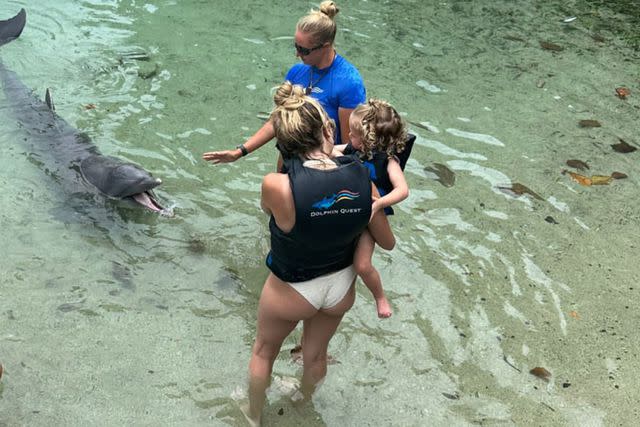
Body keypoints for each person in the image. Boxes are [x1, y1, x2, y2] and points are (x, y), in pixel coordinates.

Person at [242, 83, 394, 426]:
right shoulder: (362, 176)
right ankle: (301, 401)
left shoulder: (276, 185)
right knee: (315, 356)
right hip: (340, 287)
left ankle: (252, 416)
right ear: (328, 129)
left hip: (291, 289)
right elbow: (387, 242)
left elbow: (274, 212)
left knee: (263, 353)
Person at [202, 1, 365, 167]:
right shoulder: (297, 72)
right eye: (296, 46)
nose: (297, 54)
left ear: (325, 46)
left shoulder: (349, 82)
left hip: (325, 168)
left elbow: (350, 146)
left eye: (304, 50)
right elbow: (278, 120)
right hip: (290, 162)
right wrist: (239, 152)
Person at [333, 99, 411, 318]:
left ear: (369, 140)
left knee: (363, 265)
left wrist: (379, 204)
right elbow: (331, 150)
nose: (348, 137)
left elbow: (402, 190)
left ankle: (380, 297)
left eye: (354, 134)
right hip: (350, 211)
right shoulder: (352, 149)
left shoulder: (388, 161)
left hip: (370, 220)